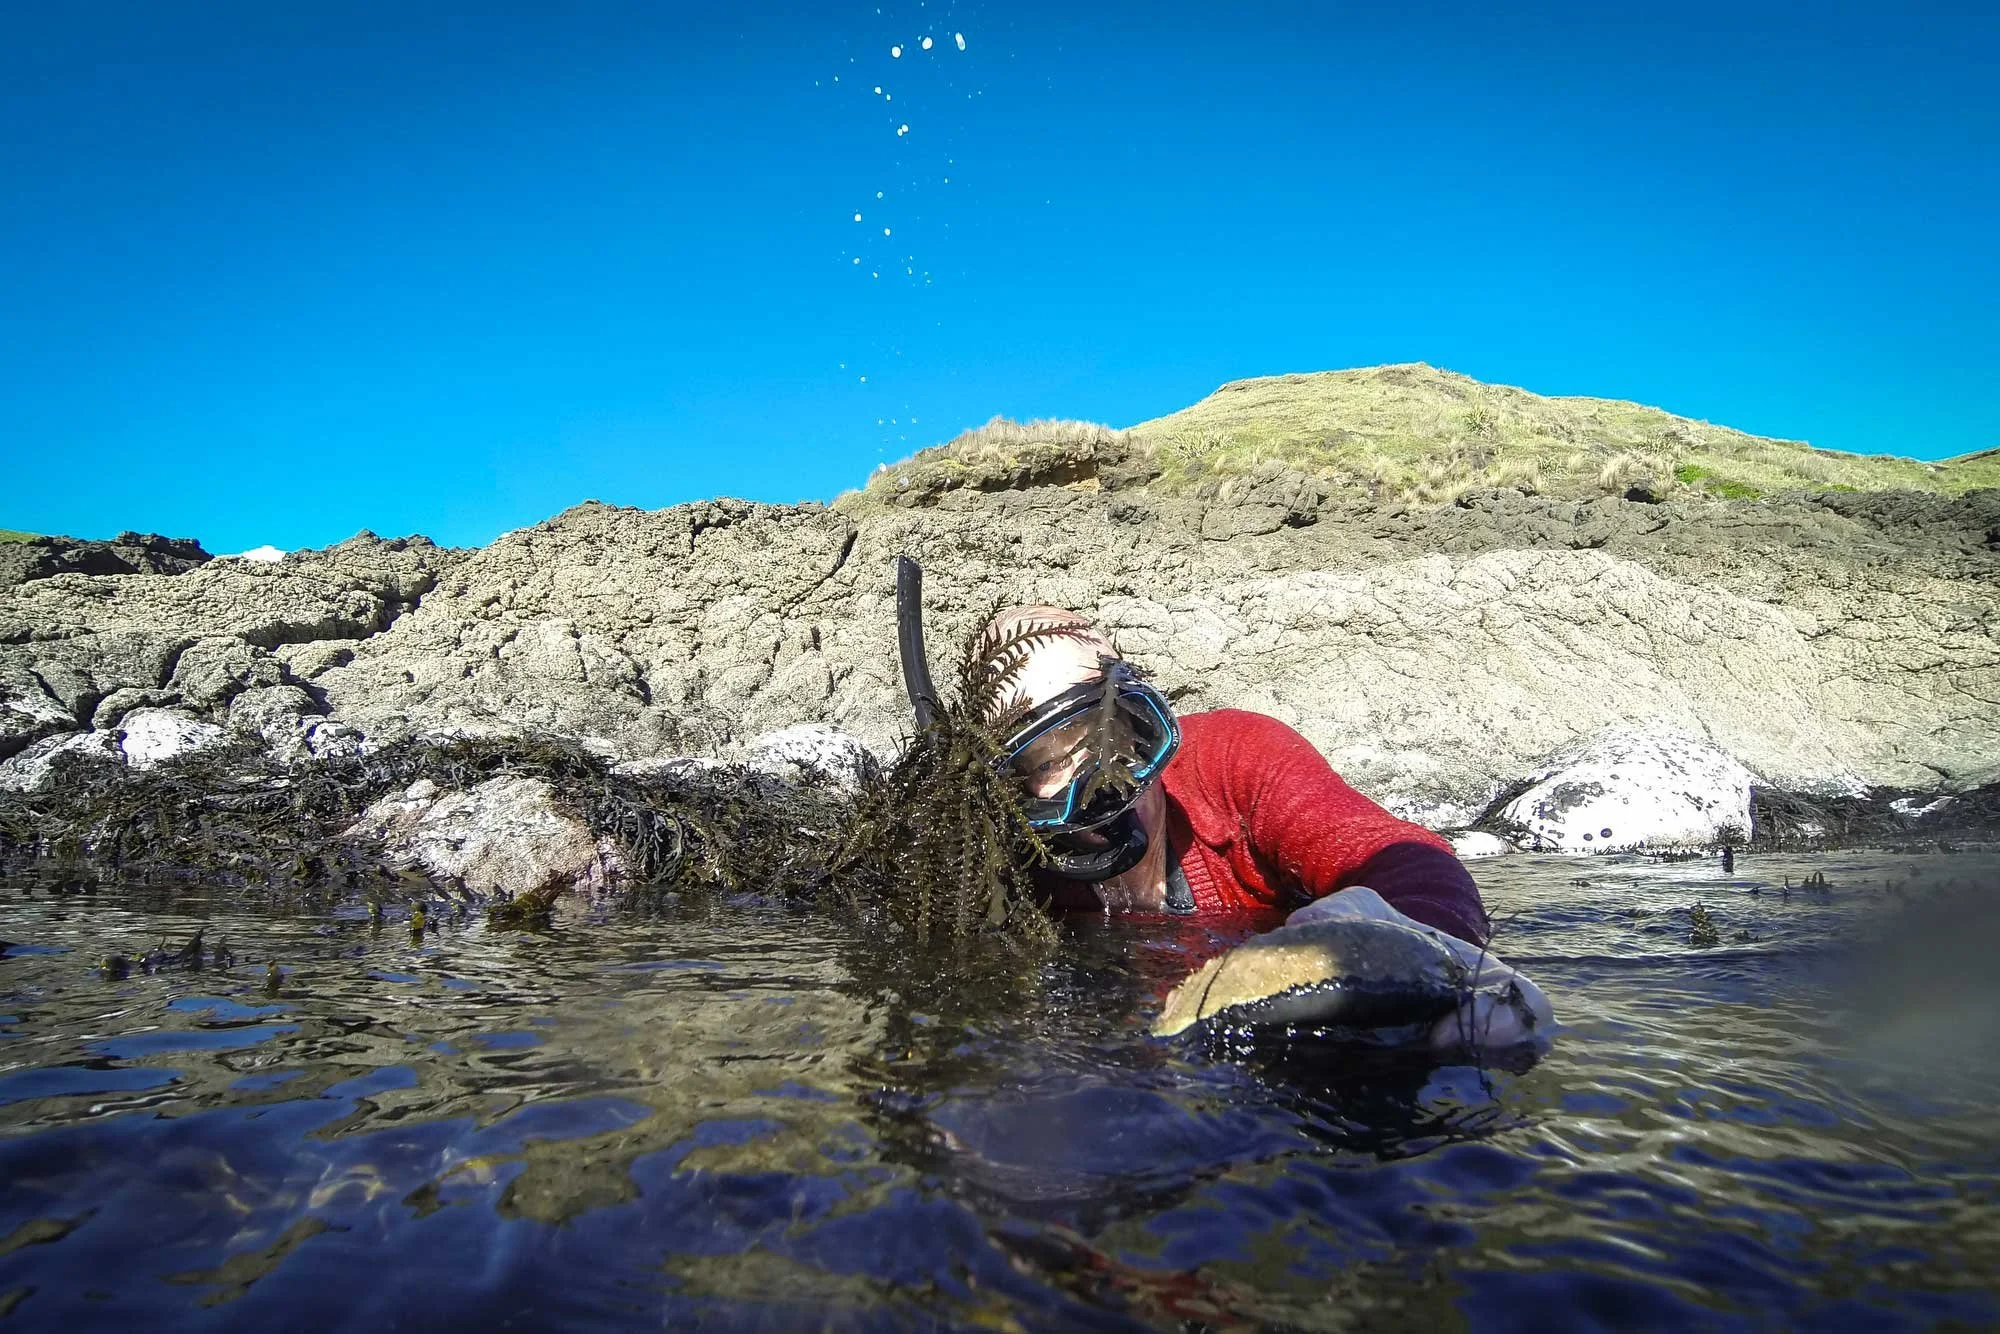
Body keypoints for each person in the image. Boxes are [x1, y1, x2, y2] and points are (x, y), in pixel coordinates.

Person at [972, 603, 1551, 1048]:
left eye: (1112, 732)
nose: (1096, 785)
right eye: (1041, 762)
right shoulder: (988, 863)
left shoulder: (1237, 756)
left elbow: (1401, 857)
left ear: (1146, 718)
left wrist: (1406, 940)